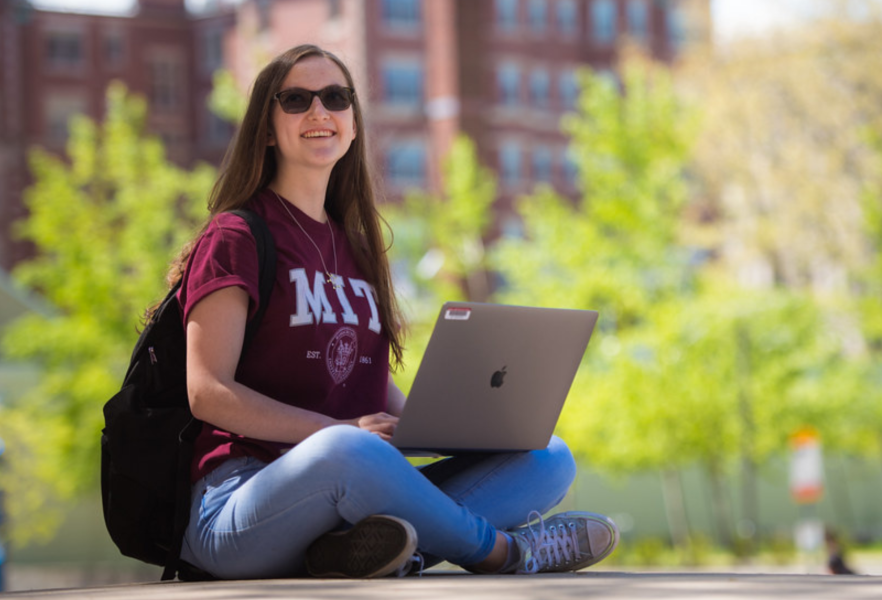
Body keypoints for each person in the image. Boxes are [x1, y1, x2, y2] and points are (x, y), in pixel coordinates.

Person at [172, 43, 619, 580]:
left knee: (548, 456)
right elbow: (207, 392)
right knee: (342, 448)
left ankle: (351, 553)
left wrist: (429, 427)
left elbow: (367, 383)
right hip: (238, 505)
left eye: (335, 98)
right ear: (267, 129)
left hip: (351, 480)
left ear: (354, 123)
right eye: (296, 100)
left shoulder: (360, 250)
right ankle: (506, 554)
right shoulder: (237, 235)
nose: (319, 112)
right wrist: (337, 431)